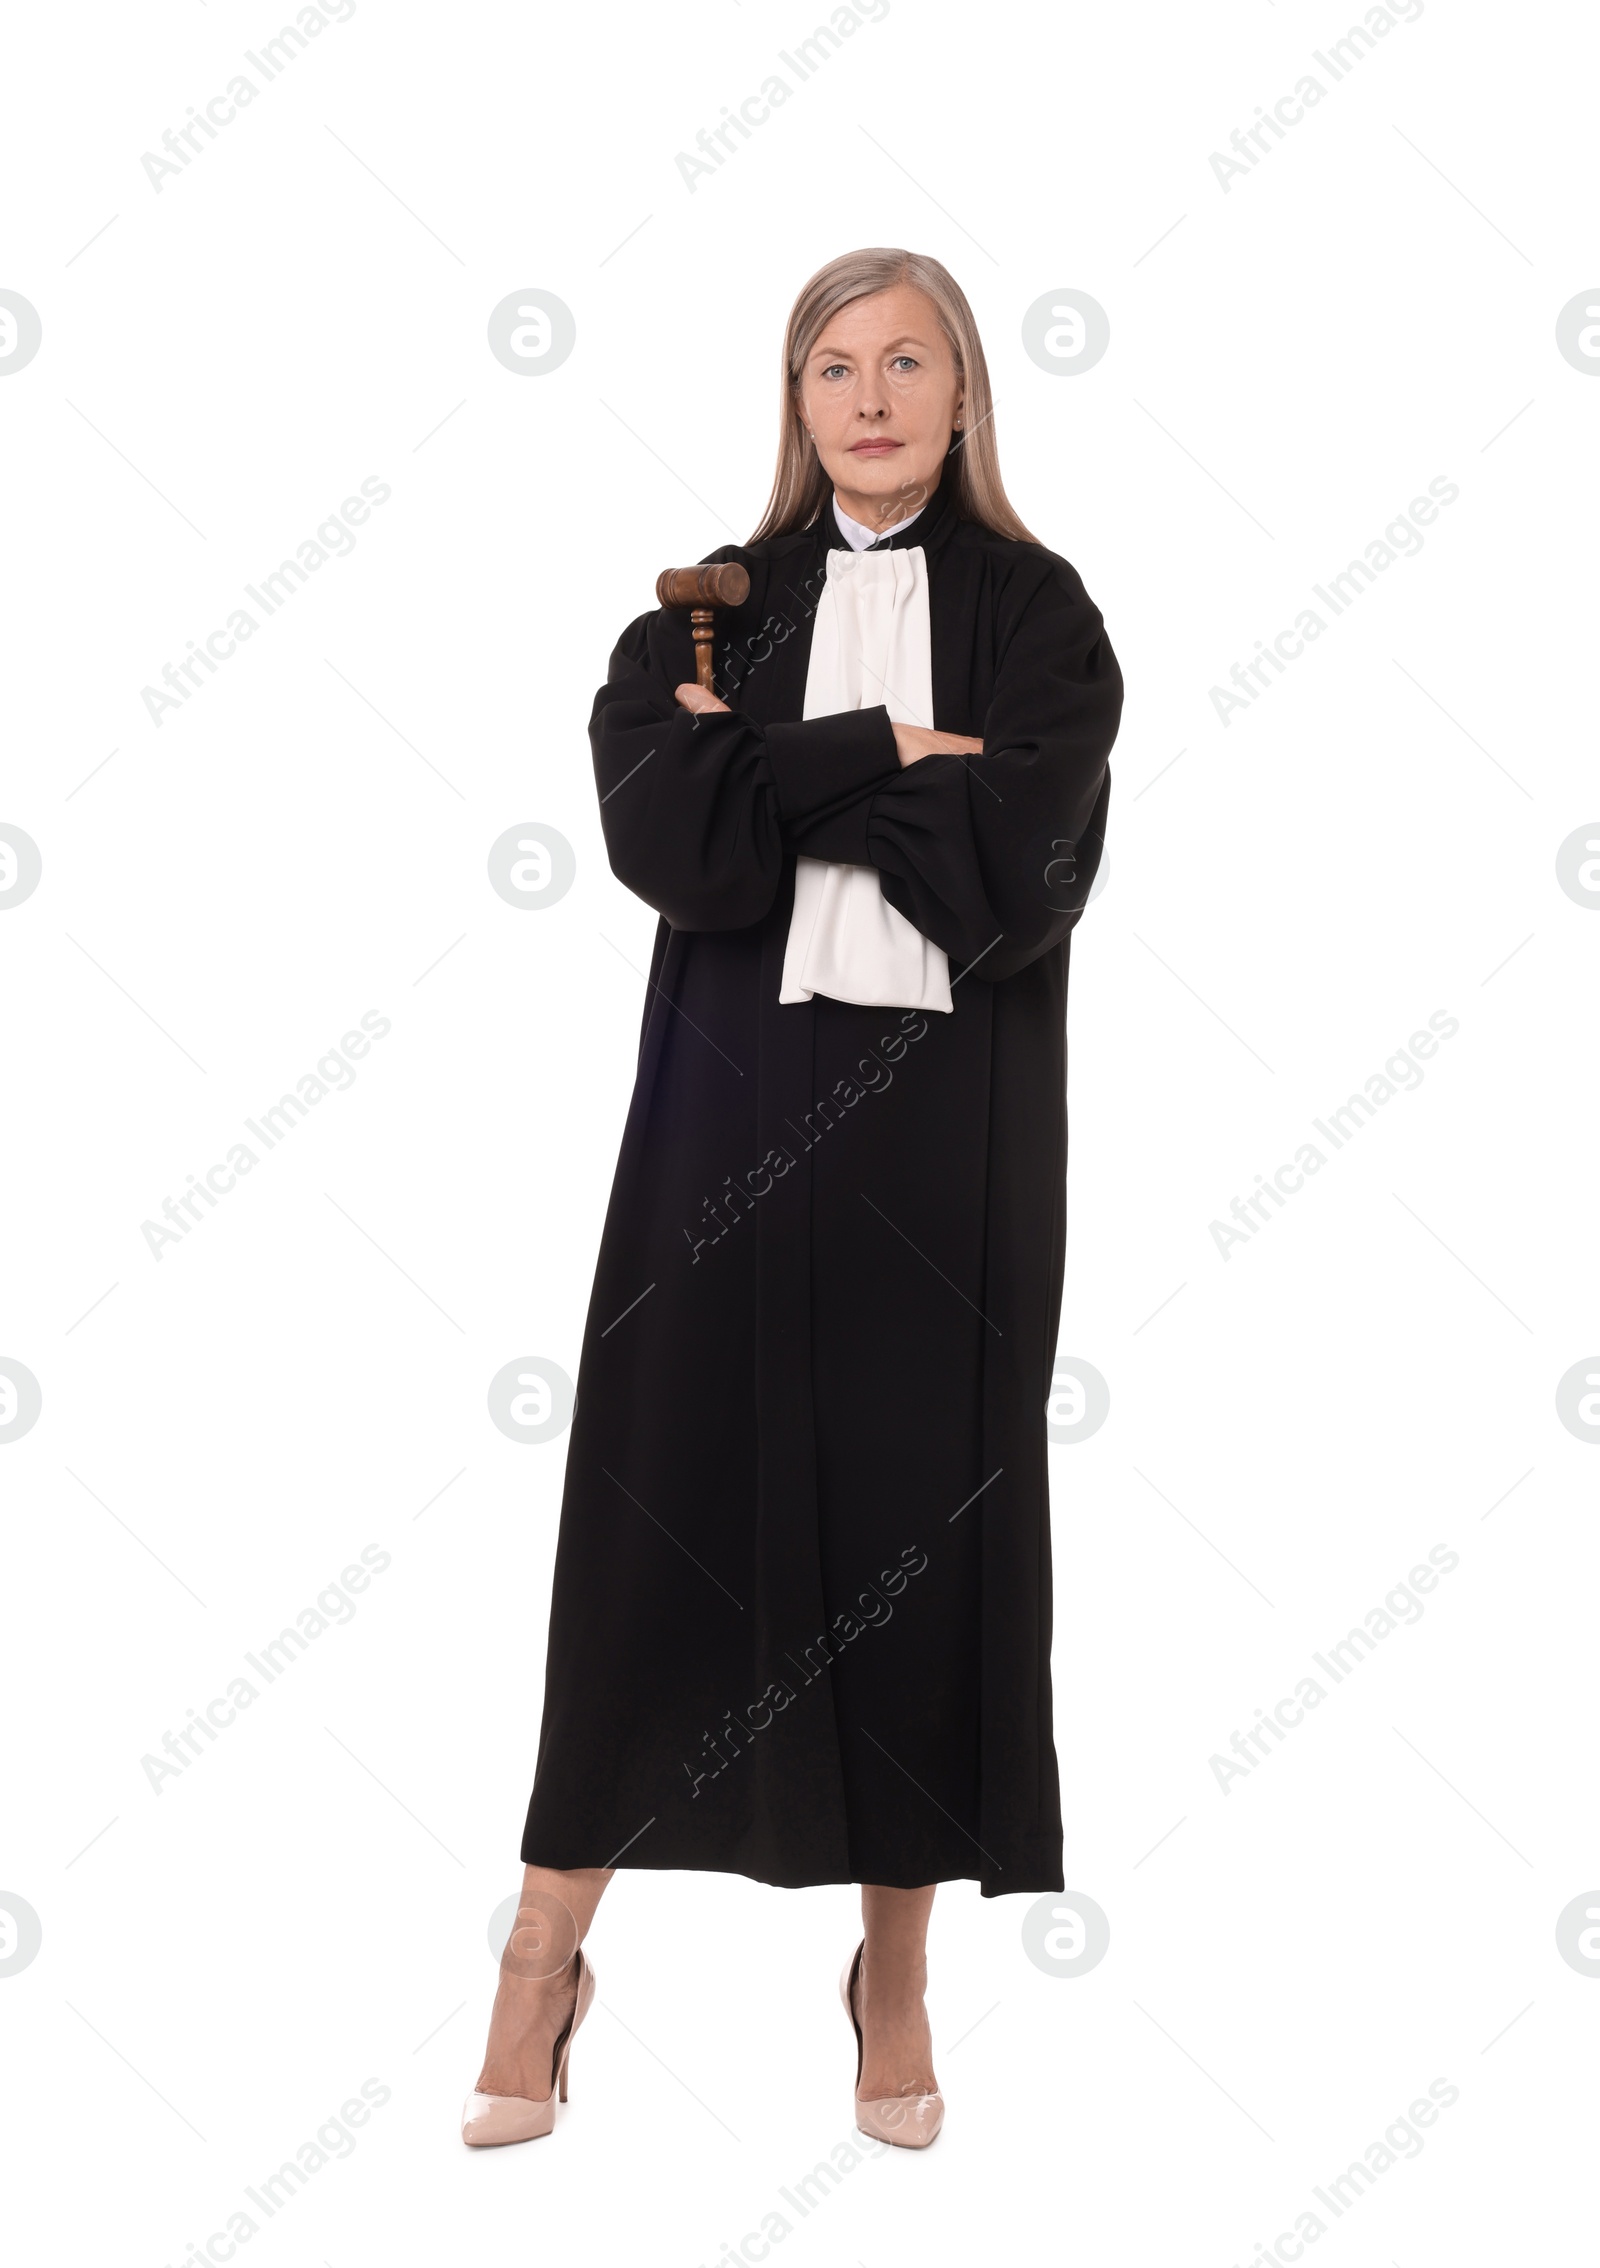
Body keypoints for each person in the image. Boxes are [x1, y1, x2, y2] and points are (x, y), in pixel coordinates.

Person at [463, 246, 1123, 2152]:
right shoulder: (706, 614)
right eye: (835, 365)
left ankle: (892, 1969)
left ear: (967, 389)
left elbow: (1023, 859)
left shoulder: (1042, 614)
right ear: (796, 398)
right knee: (660, 1499)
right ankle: (544, 1944)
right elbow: (666, 833)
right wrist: (883, 755)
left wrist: (788, 788)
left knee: (923, 1514)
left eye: (909, 359)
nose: (872, 393)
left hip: (948, 1129)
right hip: (724, 1114)